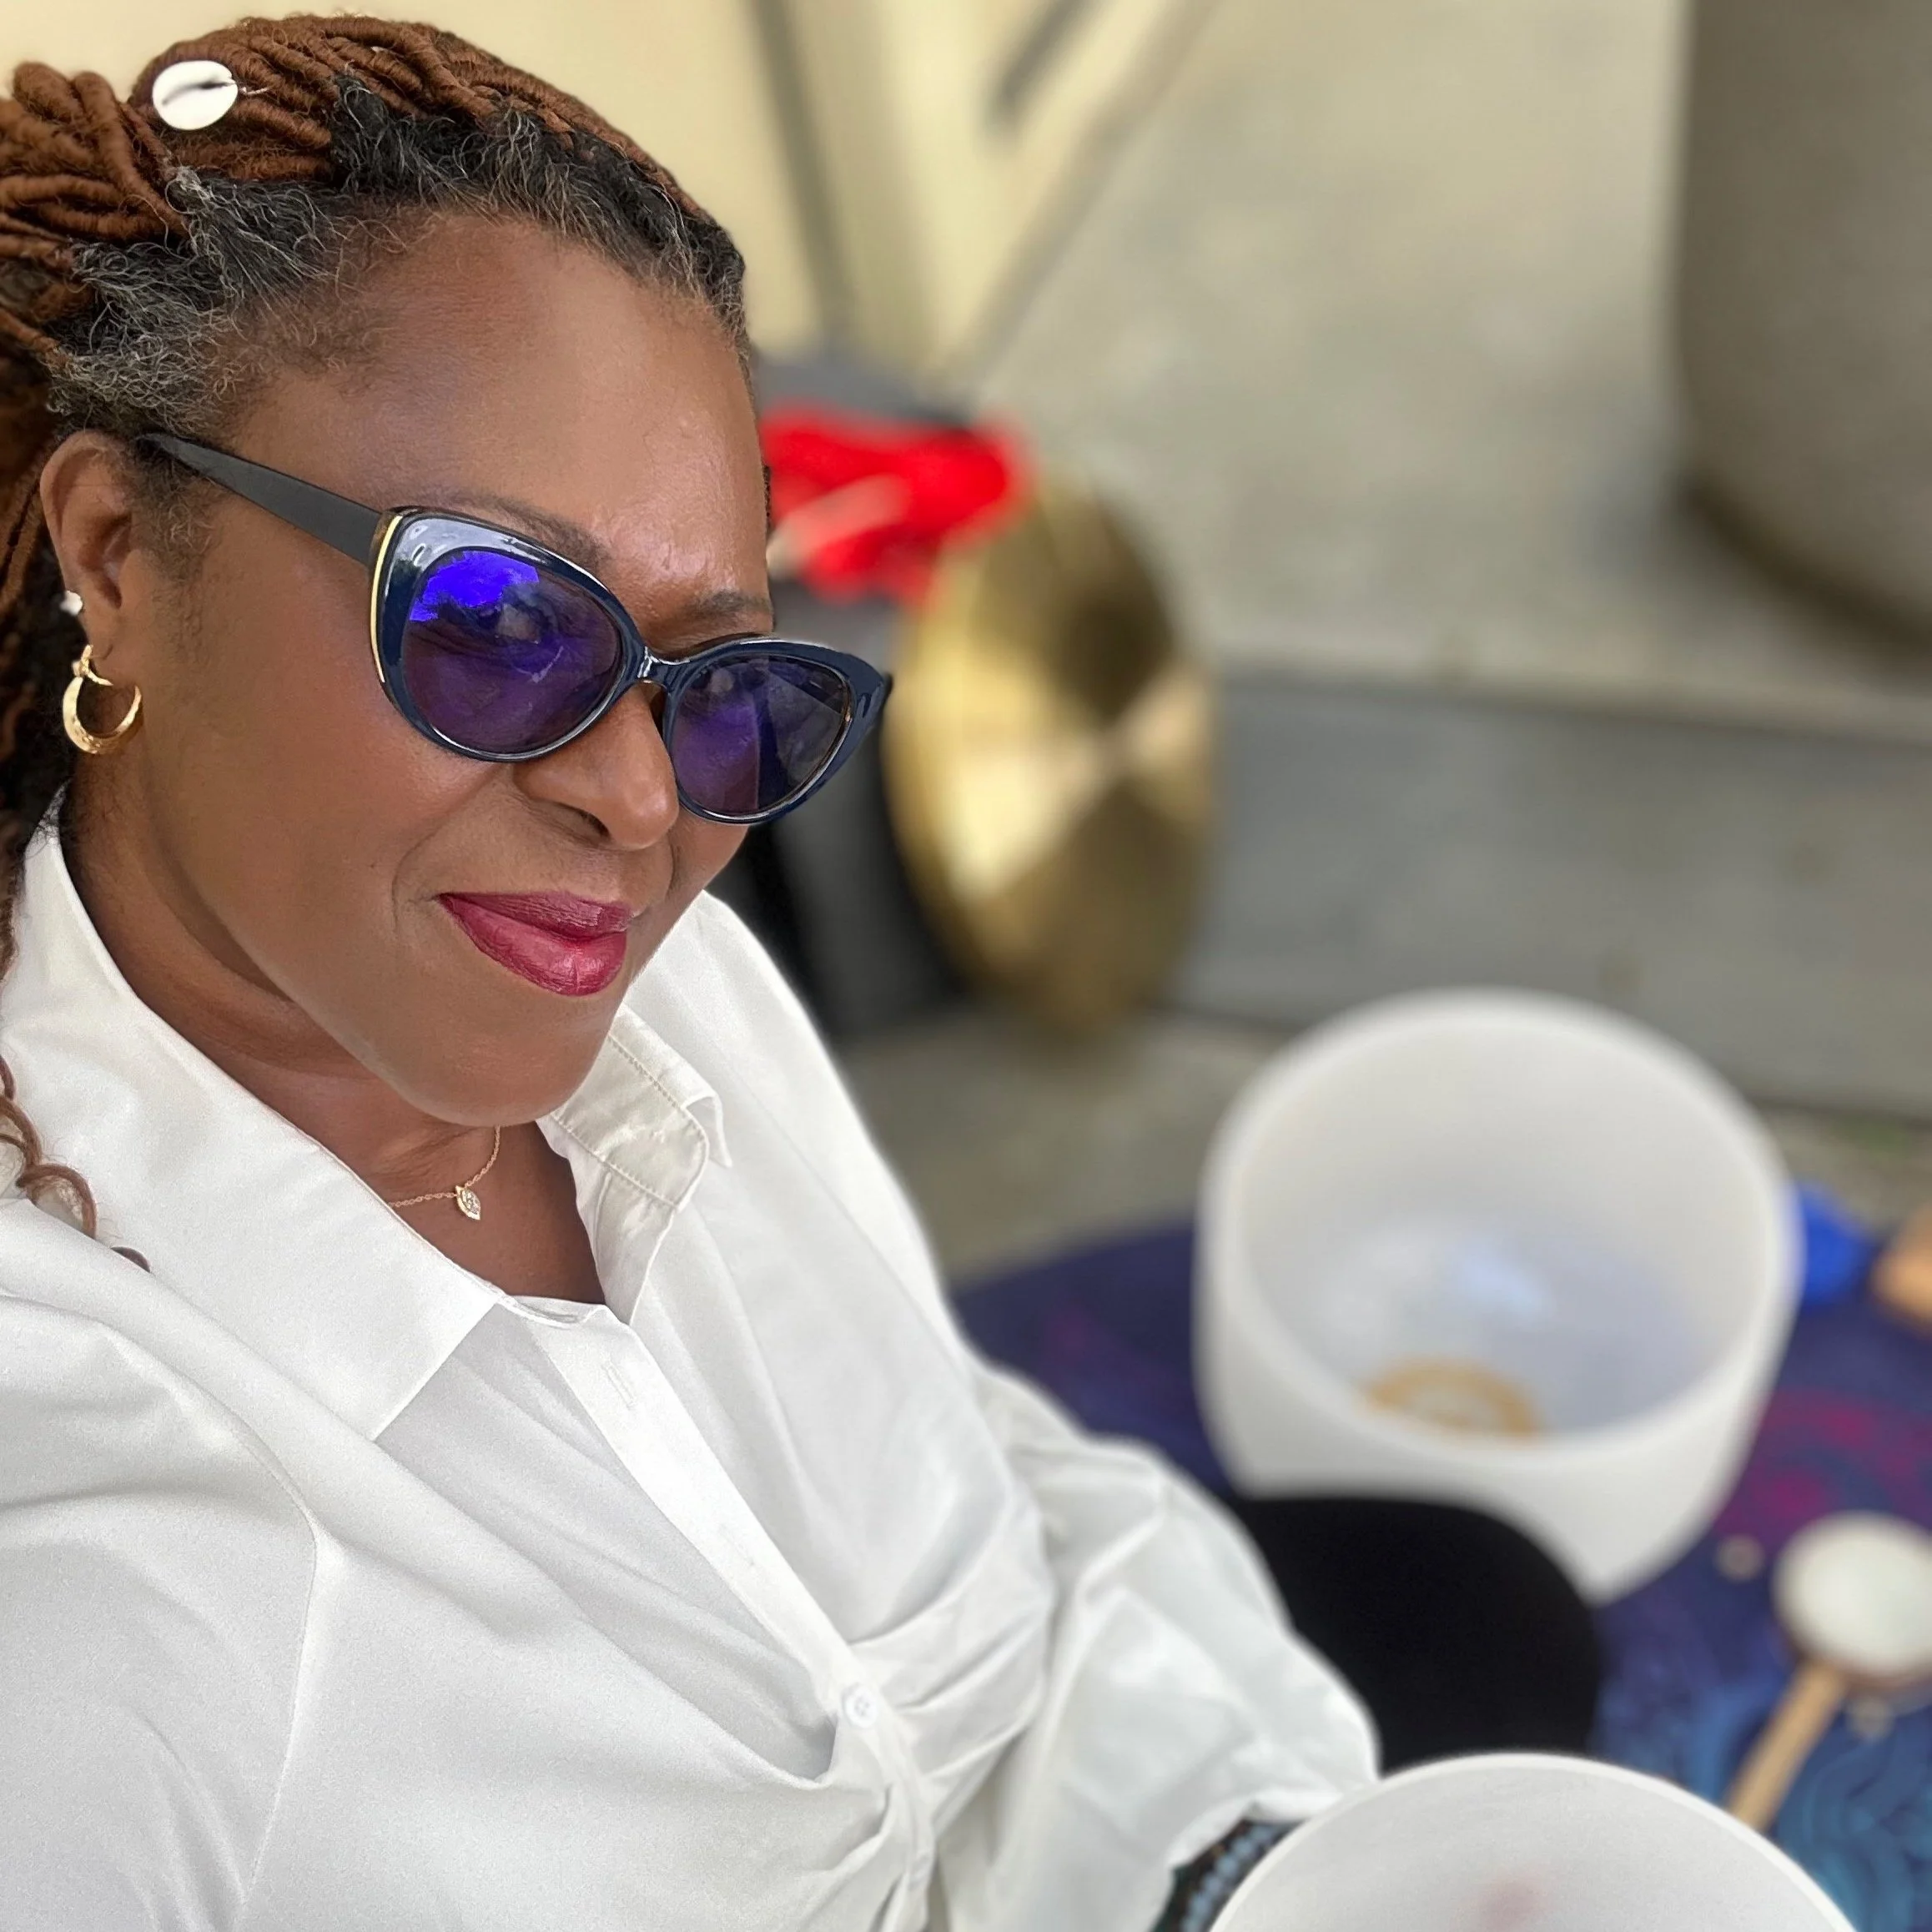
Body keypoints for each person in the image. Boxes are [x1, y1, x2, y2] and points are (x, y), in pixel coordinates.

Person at [0, 18, 1376, 1930]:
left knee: (1470, 1599)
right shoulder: (98, 1665)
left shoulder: (661, 1011)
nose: (643, 801)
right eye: (493, 622)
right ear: (120, 550)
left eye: (725, 684)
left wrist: (1251, 1864)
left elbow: (990, 1497)